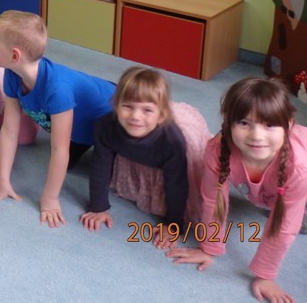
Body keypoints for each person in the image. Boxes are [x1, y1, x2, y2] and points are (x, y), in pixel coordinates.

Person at [166, 77, 307, 303]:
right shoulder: (217, 150)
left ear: (288, 125)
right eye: (244, 123)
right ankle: (267, 196)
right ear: (228, 122)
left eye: (269, 125)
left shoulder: (300, 169)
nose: (256, 136)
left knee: (303, 225)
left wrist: (265, 276)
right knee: (262, 200)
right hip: (268, 187)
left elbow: (285, 227)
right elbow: (213, 200)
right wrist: (209, 248)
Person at [0, 10, 116, 228]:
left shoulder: (58, 89)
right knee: (64, 161)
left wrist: (50, 199)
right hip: (80, 127)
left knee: (106, 172)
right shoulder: (13, 74)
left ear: (15, 55)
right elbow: (9, 130)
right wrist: (2, 181)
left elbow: (60, 149)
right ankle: (82, 141)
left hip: (115, 121)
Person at [80, 66, 211, 233]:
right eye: (127, 106)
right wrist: (98, 208)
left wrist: (173, 225)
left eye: (147, 110)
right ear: (116, 106)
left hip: (169, 149)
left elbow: (176, 184)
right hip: (137, 147)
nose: (135, 116)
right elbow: (100, 166)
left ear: (161, 116)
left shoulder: (172, 141)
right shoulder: (105, 126)